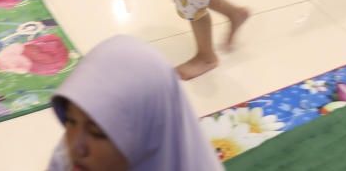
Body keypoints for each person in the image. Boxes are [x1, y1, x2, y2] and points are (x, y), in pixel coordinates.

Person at [46, 35, 224, 170]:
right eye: (70, 121)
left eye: (97, 133)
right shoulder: (66, 161)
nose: (76, 147)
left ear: (148, 135)